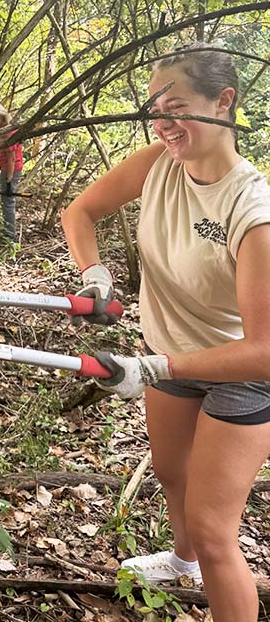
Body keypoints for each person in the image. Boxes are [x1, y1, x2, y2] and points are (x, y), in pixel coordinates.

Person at [61, 45, 270, 622]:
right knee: (171, 473)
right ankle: (180, 563)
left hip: (241, 375)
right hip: (169, 354)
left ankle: (203, 563)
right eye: (154, 108)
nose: (162, 122)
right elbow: (80, 212)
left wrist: (155, 368)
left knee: (214, 532)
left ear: (223, 102)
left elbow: (265, 353)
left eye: (175, 106)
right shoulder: (158, 163)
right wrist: (95, 276)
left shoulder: (253, 211)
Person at [0, 103, 23, 242]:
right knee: (6, 201)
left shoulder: (8, 133)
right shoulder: (1, 131)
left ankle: (10, 236)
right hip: (7, 168)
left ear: (2, 117)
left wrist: (8, 181)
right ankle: (8, 231)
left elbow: (12, 159)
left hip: (12, 170)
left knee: (8, 201)